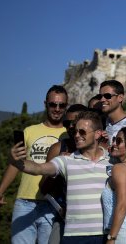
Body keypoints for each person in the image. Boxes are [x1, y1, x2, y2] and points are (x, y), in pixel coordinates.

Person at [11, 110, 111, 244]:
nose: (76, 135)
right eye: (75, 131)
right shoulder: (66, 161)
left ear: (98, 134)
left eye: (82, 132)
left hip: (104, 235)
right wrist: (16, 161)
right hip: (74, 236)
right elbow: (38, 168)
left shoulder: (111, 161)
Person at [0, 85, 68, 244]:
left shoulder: (69, 135)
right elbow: (16, 164)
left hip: (53, 205)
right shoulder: (30, 131)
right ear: (45, 104)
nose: (57, 108)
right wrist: (1, 191)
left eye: (61, 105)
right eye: (53, 104)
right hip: (24, 202)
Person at [41, 104, 87, 244]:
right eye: (67, 123)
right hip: (64, 219)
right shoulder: (58, 148)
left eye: (75, 122)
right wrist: (59, 167)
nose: (71, 127)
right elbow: (43, 188)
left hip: (94, 222)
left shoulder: (100, 148)